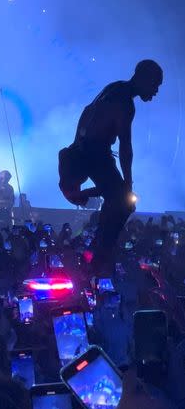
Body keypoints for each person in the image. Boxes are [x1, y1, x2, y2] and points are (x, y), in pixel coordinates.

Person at [58, 60, 163, 274]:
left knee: (118, 198)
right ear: (144, 78)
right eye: (155, 85)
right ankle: (100, 255)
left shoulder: (113, 88)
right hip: (94, 154)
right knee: (125, 202)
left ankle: (98, 248)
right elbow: (125, 145)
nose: (155, 92)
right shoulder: (125, 103)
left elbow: (88, 114)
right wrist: (128, 182)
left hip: (84, 151)